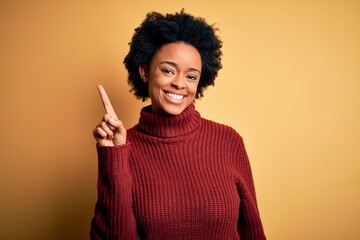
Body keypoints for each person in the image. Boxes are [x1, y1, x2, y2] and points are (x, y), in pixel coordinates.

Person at [90, 10, 266, 240]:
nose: (179, 84)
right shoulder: (122, 149)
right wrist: (114, 158)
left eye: (191, 76)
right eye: (168, 70)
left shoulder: (228, 141)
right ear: (144, 72)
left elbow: (252, 230)